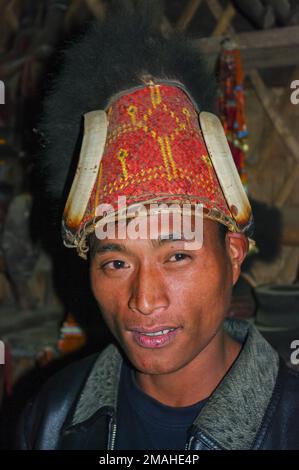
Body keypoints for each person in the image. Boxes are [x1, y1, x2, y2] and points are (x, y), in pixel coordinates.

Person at [17, 9, 299, 450]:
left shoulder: (289, 424)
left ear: (233, 255)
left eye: (177, 256)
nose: (144, 300)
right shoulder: (52, 418)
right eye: (115, 261)